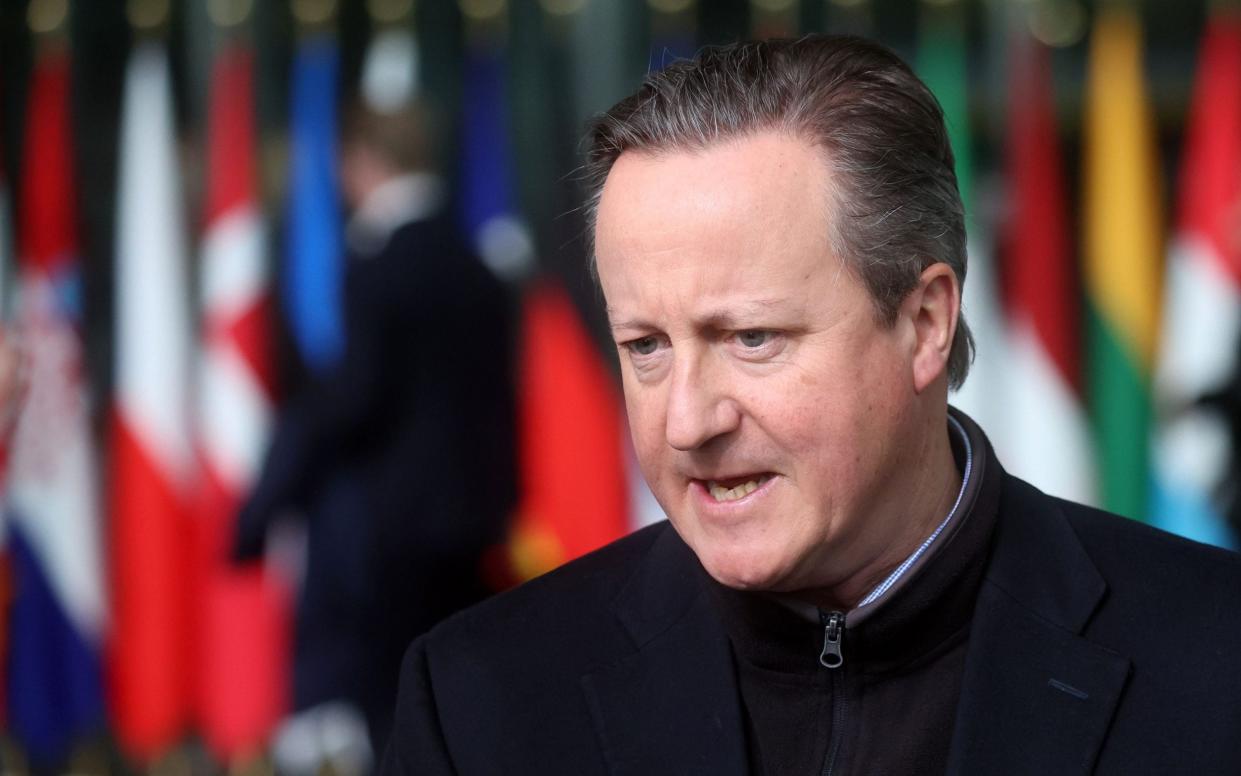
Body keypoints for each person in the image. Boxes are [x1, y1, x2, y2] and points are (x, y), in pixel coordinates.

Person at [380, 36, 1241, 775]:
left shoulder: (1216, 662)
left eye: (750, 338)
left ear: (923, 322)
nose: (686, 423)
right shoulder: (477, 700)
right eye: (645, 347)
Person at [235, 101, 517, 769]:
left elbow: (357, 399)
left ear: (362, 164)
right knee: (461, 685)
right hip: (479, 520)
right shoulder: (479, 265)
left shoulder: (381, 266)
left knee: (395, 699)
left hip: (395, 531)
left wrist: (271, 497)